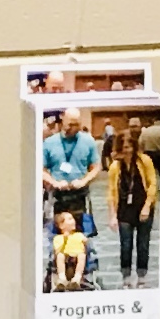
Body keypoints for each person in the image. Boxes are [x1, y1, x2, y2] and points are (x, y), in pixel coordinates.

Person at [107, 118, 160, 287]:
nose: (127, 152)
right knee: (126, 244)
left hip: (143, 207)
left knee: (143, 244)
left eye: (129, 148)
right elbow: (111, 192)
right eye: (124, 148)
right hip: (124, 210)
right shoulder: (115, 166)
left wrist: (147, 206)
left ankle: (142, 277)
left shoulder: (145, 161)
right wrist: (112, 216)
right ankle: (126, 277)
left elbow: (152, 184)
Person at [41, 107, 101, 250]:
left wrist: (84, 181)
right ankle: (57, 266)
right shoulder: (49, 143)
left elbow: (96, 167)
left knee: (80, 237)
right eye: (70, 124)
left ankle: (80, 267)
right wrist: (54, 182)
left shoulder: (88, 141)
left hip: (79, 195)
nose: (73, 128)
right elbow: (41, 169)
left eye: (77, 124)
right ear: (63, 120)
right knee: (57, 237)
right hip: (58, 196)